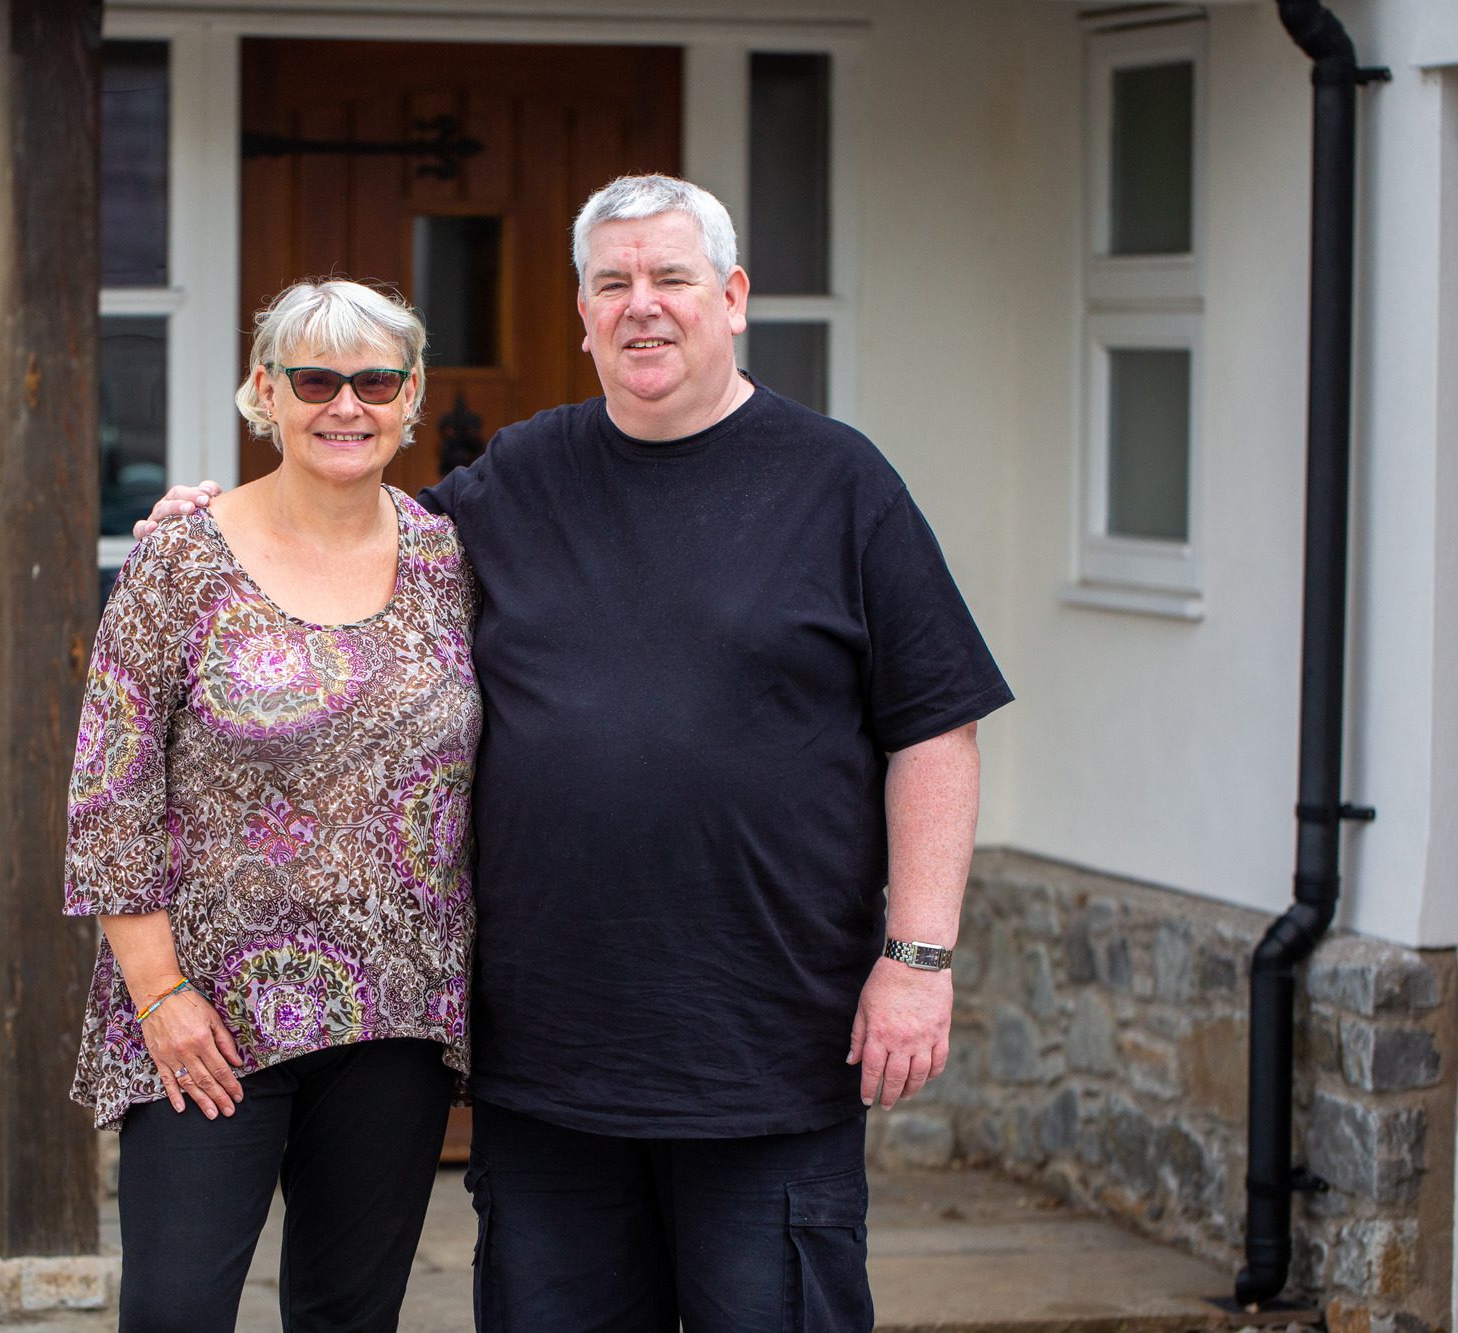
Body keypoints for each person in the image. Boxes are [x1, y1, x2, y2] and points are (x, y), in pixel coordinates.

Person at [142, 175, 1012, 1332]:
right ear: (582, 313)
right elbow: (346, 539)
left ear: (732, 297)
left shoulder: (839, 484)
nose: (641, 306)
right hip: (550, 1068)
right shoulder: (514, 479)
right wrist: (212, 525)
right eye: (613, 283)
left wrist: (916, 956)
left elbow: (932, 727)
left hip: (763, 1052)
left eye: (670, 278)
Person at [65, 279, 481, 1333]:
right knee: (175, 1311)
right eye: (316, 378)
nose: (346, 404)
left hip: (396, 1012)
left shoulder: (449, 557)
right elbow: (109, 791)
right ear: (264, 391)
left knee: (349, 1314)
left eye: (374, 379)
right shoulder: (180, 556)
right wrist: (157, 994)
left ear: (410, 395)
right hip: (207, 1017)